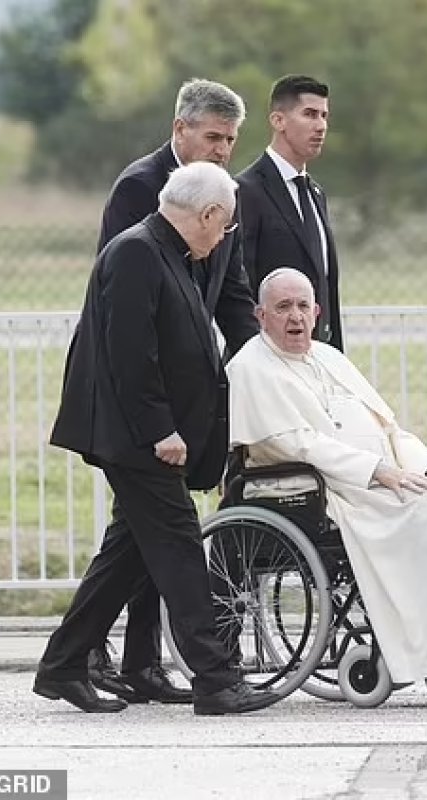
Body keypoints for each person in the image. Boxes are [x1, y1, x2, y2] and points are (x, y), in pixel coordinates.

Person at [226, 268, 427, 688]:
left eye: (303, 306)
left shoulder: (329, 358)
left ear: (317, 311)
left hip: (385, 480)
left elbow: (390, 430)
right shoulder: (251, 366)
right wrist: (378, 471)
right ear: (260, 315)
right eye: (284, 307)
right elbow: (298, 444)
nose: (296, 317)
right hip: (334, 490)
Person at [34, 162, 275, 716]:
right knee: (180, 548)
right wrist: (160, 430)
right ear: (209, 213)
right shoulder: (137, 251)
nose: (223, 237)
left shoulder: (170, 252)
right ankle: (216, 679)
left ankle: (63, 664)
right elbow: (129, 355)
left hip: (144, 435)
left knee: (129, 555)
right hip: (135, 438)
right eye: (224, 226)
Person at [86, 78, 260, 705]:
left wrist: (265, 362)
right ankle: (134, 661)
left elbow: (233, 295)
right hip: (143, 395)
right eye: (212, 137)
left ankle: (106, 659)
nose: (221, 150)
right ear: (181, 128)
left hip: (186, 392)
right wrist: (154, 415)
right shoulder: (142, 188)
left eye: (230, 140)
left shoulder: (223, 197)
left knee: (136, 535)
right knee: (157, 532)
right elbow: (128, 306)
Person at [237, 75, 344, 351]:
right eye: (309, 114)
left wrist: (334, 354)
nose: (320, 126)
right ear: (278, 121)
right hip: (268, 357)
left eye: (324, 116)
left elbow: (326, 285)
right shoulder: (245, 191)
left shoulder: (315, 193)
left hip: (315, 356)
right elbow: (239, 285)